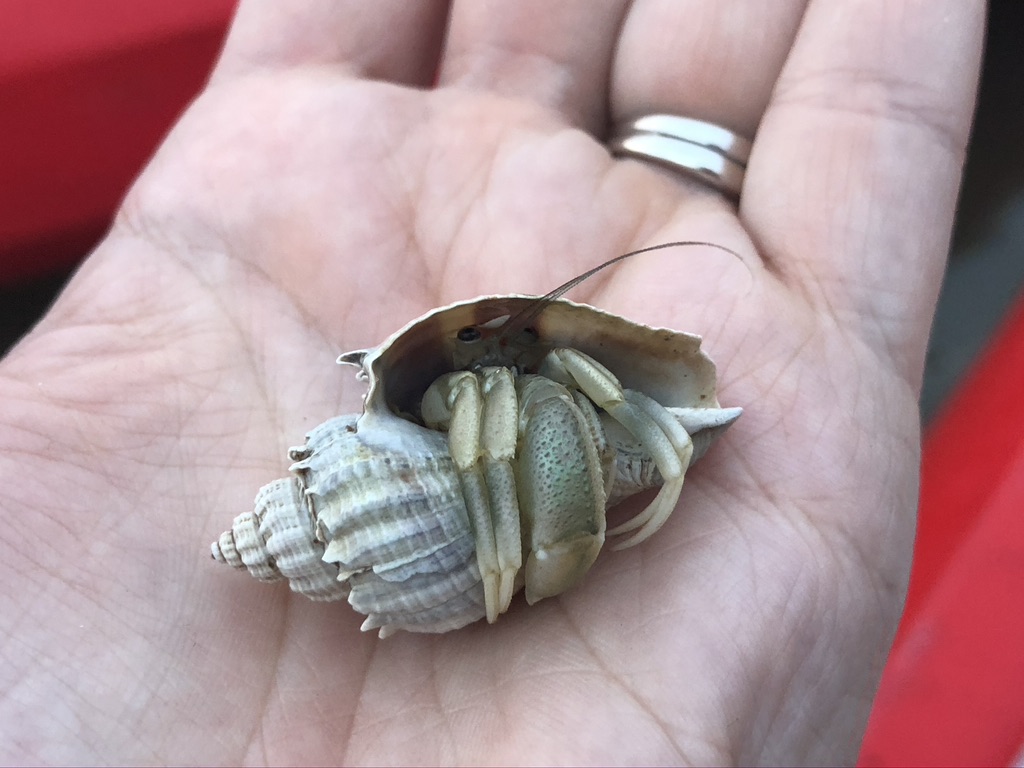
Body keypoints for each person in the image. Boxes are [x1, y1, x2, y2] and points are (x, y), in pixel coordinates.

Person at [0, 1, 983, 763]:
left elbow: (523, 390)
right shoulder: (477, 401)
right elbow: (469, 408)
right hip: (457, 468)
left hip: (483, 457)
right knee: (524, 406)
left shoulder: (532, 381)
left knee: (547, 399)